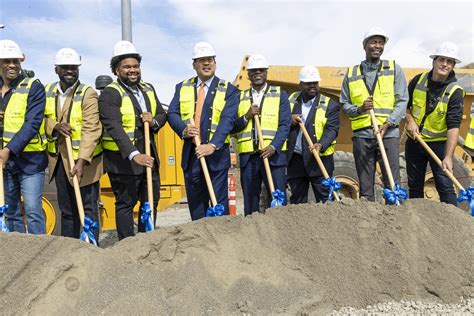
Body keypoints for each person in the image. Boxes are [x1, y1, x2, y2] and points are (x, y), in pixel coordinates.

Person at [99, 41, 166, 240]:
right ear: (117, 70)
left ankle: (147, 241)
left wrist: (152, 120)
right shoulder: (111, 93)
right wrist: (134, 155)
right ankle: (128, 246)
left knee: (150, 201)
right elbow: (113, 127)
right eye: (127, 67)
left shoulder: (148, 88)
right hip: (123, 162)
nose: (133, 70)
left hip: (149, 157)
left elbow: (162, 115)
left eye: (135, 66)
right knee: (126, 204)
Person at [167, 41, 239, 221]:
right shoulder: (182, 87)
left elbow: (227, 120)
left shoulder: (228, 89)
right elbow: (172, 113)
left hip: (216, 157)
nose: (206, 63)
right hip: (191, 156)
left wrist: (212, 145)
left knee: (218, 207)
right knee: (197, 207)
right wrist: (183, 129)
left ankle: (221, 242)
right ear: (194, 64)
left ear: (215, 62)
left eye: (210, 60)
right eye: (201, 60)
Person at [340, 27, 408, 201]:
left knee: (392, 184)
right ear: (365, 46)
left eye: (380, 42)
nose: (377, 46)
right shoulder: (352, 73)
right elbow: (345, 104)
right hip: (362, 136)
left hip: (388, 134)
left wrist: (389, 123)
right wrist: (360, 109)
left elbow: (402, 100)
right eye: (373, 42)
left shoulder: (394, 69)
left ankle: (396, 221)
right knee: (366, 186)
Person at [44, 48, 103, 241]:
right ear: (56, 69)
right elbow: (40, 120)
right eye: (65, 68)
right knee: (67, 209)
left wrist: (81, 160)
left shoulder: (88, 93)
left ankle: (90, 250)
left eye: (73, 68)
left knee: (88, 209)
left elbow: (91, 128)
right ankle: (69, 249)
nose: (70, 71)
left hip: (84, 163)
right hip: (59, 160)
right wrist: (54, 126)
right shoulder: (48, 91)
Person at [404, 42, 465, 206]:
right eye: (442, 59)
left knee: (445, 186)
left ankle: (454, 222)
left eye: (449, 61)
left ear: (453, 66)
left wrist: (448, 156)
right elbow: (405, 106)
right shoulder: (418, 80)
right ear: (434, 61)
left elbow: (454, 126)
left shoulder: (455, 91)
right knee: (414, 186)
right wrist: (409, 120)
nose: (445, 64)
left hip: (439, 146)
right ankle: (417, 223)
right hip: (415, 142)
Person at [233, 54, 291, 215]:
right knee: (250, 202)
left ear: (266, 72)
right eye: (253, 70)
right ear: (249, 74)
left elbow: (285, 125)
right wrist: (246, 116)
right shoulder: (240, 97)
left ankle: (280, 234)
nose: (257, 73)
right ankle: (252, 235)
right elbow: (232, 126)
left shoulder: (280, 94)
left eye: (261, 70)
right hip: (249, 159)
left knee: (278, 199)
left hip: (273, 157)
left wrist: (273, 146)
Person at [0, 39, 48, 234]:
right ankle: (18, 255)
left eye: (16, 61)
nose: (12, 65)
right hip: (6, 162)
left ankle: (40, 255)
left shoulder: (33, 86)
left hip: (30, 160)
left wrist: (7, 150)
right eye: (7, 61)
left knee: (33, 210)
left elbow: (32, 123)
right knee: (11, 211)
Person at [287, 66, 340, 203]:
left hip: (318, 159)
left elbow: (332, 129)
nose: (312, 86)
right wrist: (289, 119)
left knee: (325, 200)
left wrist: (321, 144)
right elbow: (281, 119)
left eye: (315, 83)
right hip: (296, 159)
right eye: (308, 83)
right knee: (297, 202)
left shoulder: (330, 104)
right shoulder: (291, 99)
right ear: (300, 85)